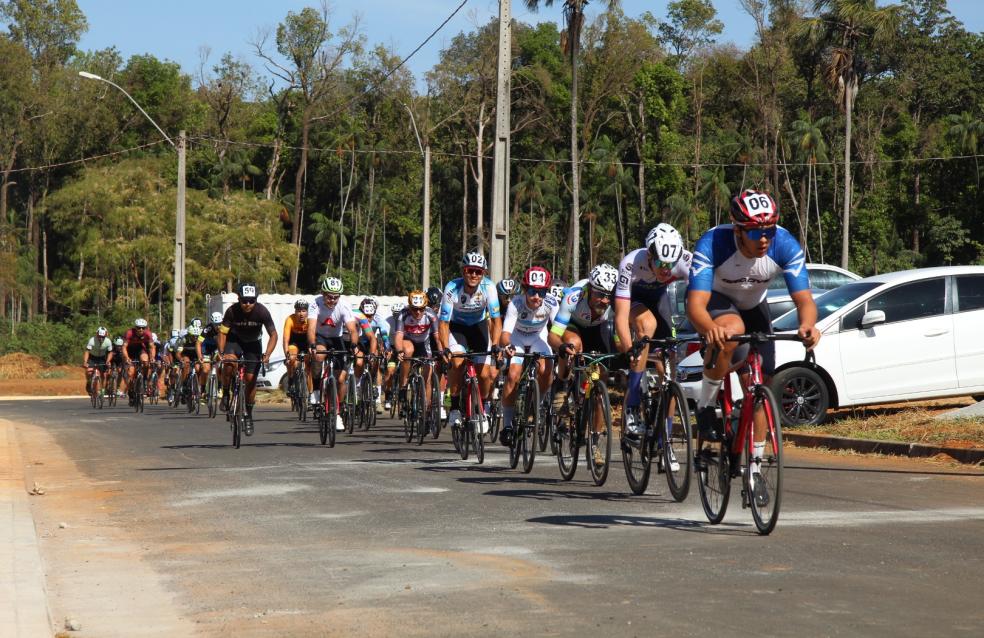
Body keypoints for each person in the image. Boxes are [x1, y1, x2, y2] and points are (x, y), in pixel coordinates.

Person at [687, 190, 819, 469]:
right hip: (716, 303)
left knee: (760, 389)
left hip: (754, 307)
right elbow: (695, 304)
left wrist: (808, 325)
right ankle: (706, 405)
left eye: (769, 232)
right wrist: (710, 328)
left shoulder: (784, 244)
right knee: (731, 328)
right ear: (737, 230)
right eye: (754, 233)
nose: (763, 240)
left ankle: (755, 467)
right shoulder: (713, 243)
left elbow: (804, 300)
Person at [614, 223, 692, 437]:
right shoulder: (631, 263)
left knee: (670, 372)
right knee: (647, 325)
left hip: (659, 300)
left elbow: (701, 297)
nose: (665, 269)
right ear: (649, 254)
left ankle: (664, 436)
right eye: (659, 262)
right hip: (633, 299)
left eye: (670, 264)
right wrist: (630, 350)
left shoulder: (686, 261)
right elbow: (621, 315)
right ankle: (631, 406)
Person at [438, 252, 502, 433]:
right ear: (463, 271)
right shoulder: (452, 287)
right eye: (469, 270)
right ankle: (456, 407)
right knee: (457, 362)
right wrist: (444, 348)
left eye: (478, 272)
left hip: (478, 327)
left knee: (484, 376)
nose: (474, 275)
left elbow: (496, 321)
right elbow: (443, 323)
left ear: (483, 274)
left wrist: (496, 344)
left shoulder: (489, 288)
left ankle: (479, 408)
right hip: (457, 328)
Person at [498, 267, 559, 445]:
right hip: (516, 338)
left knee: (548, 372)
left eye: (541, 292)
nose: (537, 297)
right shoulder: (515, 303)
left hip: (538, 338)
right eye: (532, 292)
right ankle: (508, 424)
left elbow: (557, 330)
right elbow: (505, 334)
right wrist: (507, 346)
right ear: (525, 290)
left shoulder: (552, 303)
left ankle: (535, 405)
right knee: (513, 375)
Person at [548, 263, 618, 396]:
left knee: (600, 378)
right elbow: (552, 336)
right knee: (573, 344)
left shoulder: (616, 301)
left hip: (598, 326)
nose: (605, 300)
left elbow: (623, 329)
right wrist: (561, 347)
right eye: (600, 294)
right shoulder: (574, 297)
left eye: (609, 296)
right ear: (590, 289)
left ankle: (586, 394)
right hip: (573, 324)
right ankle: (562, 383)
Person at [217, 283, 278, 434]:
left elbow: (274, 335)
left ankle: (248, 415)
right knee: (229, 362)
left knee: (250, 380)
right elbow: (223, 333)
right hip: (234, 341)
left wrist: (267, 354)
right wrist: (221, 352)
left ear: (256, 300)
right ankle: (225, 392)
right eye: (244, 301)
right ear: (239, 299)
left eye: (251, 301)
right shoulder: (232, 311)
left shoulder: (262, 311)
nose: (247, 304)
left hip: (253, 344)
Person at [307, 276, 360, 432]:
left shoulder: (344, 306)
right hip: (320, 336)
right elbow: (311, 328)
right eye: (329, 296)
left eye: (335, 297)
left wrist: (354, 345)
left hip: (336, 339)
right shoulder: (315, 303)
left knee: (341, 378)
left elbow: (352, 330)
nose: (332, 300)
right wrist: (311, 345)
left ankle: (338, 412)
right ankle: (316, 390)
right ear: (323, 294)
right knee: (319, 356)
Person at [394, 290, 440, 416]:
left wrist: (441, 352)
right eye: (414, 309)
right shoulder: (403, 314)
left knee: (428, 377)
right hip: (408, 341)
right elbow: (398, 336)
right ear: (409, 307)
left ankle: (426, 409)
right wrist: (399, 351)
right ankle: (403, 385)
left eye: (421, 309)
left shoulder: (430, 314)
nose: (418, 312)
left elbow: (437, 337)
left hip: (424, 343)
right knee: (408, 351)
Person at [122, 318, 156, 406]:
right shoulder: (129, 333)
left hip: (141, 349)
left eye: (143, 328)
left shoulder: (148, 334)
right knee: (130, 373)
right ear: (135, 327)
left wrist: (152, 357)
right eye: (138, 327)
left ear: (146, 328)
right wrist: (127, 357)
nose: (141, 329)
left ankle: (144, 379)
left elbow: (152, 347)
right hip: (130, 351)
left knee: (145, 361)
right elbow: (124, 347)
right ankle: (131, 393)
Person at [283, 299, 312, 400]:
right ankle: (291, 380)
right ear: (295, 311)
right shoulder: (290, 319)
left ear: (307, 312)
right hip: (294, 342)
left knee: (309, 368)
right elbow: (286, 339)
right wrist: (286, 354)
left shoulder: (311, 320)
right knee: (291, 360)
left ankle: (310, 395)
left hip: (306, 342)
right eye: (298, 311)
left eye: (304, 311)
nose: (301, 313)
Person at [83, 327, 113, 395]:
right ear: (97, 335)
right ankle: (89, 382)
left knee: (104, 374)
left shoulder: (108, 341)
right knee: (89, 372)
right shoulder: (92, 340)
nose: (101, 338)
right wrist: (85, 362)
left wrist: (108, 361)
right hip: (92, 357)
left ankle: (102, 389)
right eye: (99, 336)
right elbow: (87, 351)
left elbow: (110, 352)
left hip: (102, 358)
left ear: (106, 335)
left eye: (103, 337)